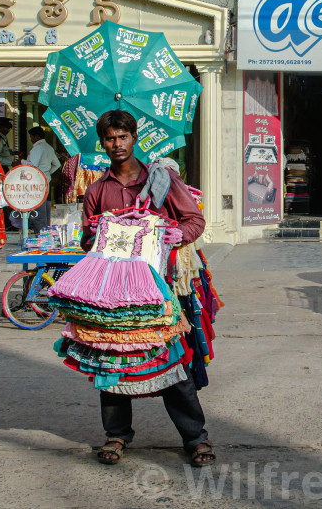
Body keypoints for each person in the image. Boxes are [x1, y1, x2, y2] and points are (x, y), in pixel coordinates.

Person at [80, 110, 214, 468]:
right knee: (111, 361)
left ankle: (195, 438)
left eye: (122, 136)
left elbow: (195, 220)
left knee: (172, 361)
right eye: (109, 138)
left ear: (134, 137)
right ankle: (116, 435)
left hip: (161, 288)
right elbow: (85, 241)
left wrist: (175, 235)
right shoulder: (97, 191)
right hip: (113, 294)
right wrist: (102, 235)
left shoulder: (161, 179)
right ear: (102, 142)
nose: (116, 144)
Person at [24, 126, 61, 230]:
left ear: (36, 136)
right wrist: (46, 172)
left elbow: (33, 165)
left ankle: (39, 233)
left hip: (37, 181)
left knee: (38, 209)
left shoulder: (38, 148)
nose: (31, 139)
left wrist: (21, 162)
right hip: (46, 179)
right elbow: (57, 164)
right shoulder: (49, 147)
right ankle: (45, 231)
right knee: (46, 207)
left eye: (31, 137)